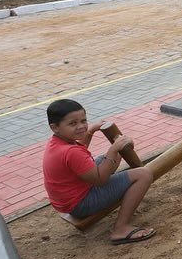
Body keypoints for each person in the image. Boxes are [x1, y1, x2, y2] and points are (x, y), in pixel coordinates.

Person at [42, 99, 156, 244]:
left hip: (69, 200)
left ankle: (126, 186)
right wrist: (113, 149)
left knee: (109, 157)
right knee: (143, 174)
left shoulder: (58, 142)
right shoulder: (70, 151)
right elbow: (100, 179)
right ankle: (121, 229)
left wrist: (90, 131)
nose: (81, 126)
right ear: (55, 127)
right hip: (81, 204)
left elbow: (80, 152)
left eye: (83, 121)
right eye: (73, 123)